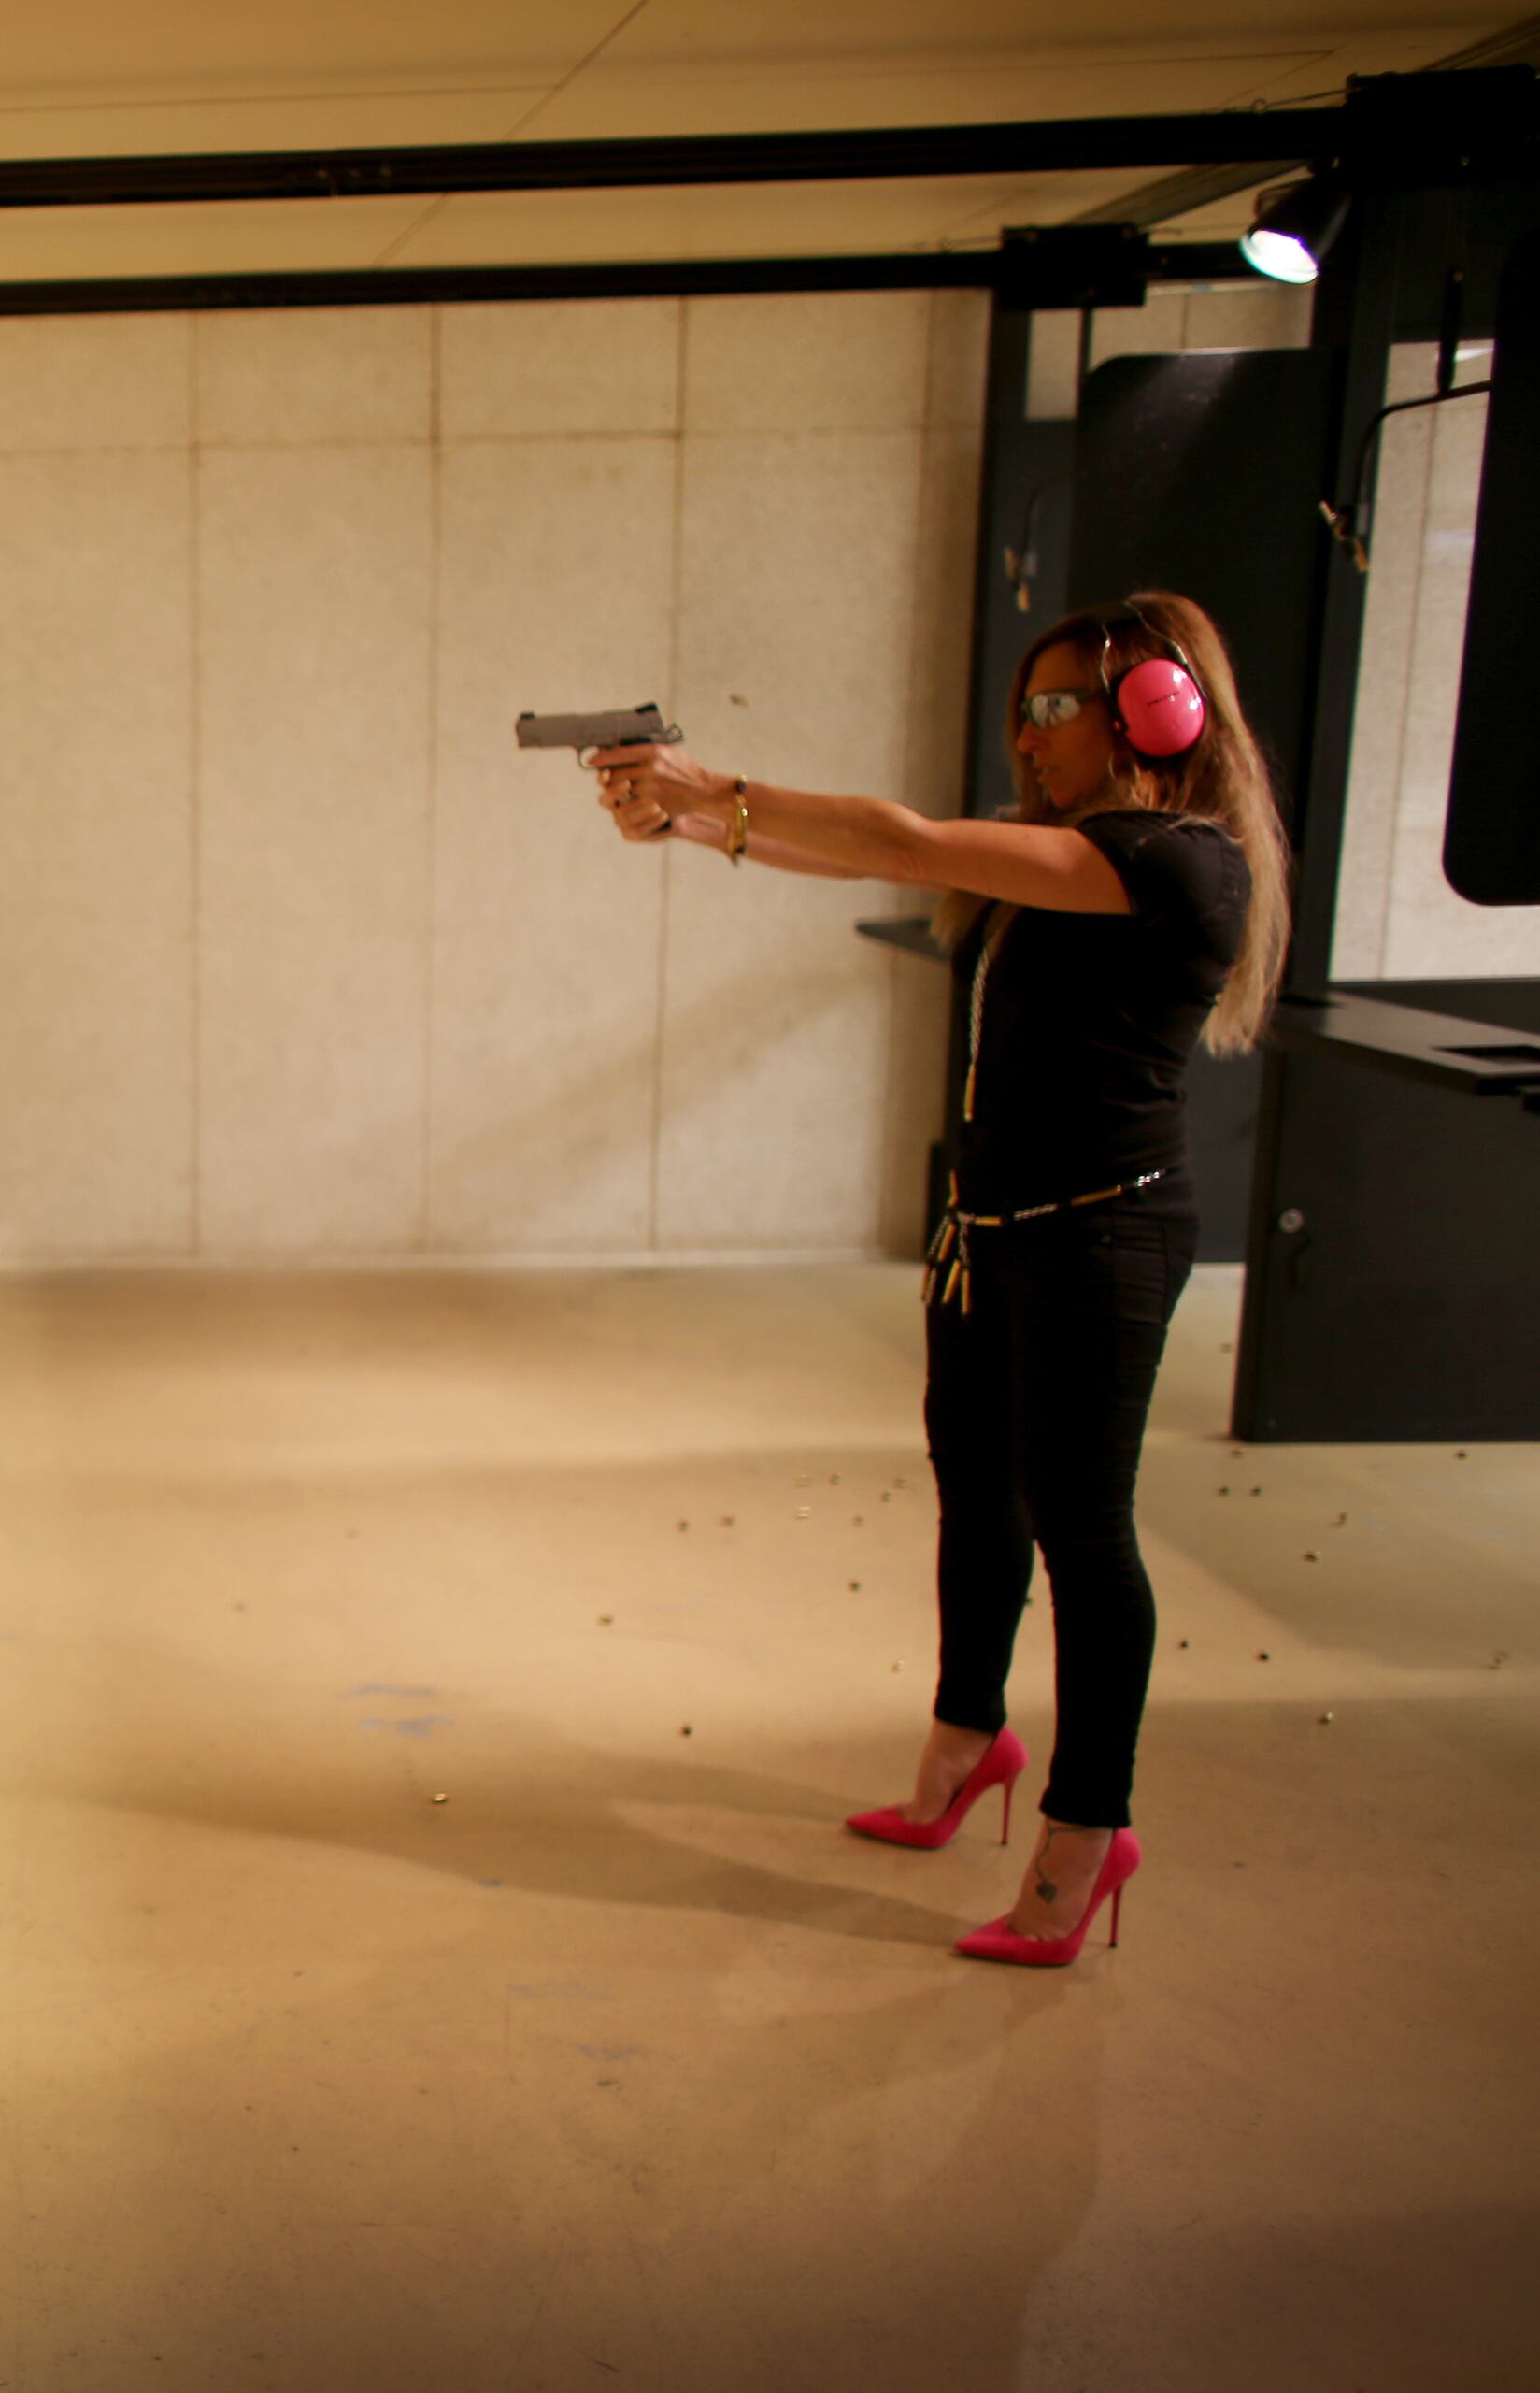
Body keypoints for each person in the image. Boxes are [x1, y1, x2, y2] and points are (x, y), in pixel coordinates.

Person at [584, 591, 1289, 1966]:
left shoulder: (1181, 862)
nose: (1027, 739)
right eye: (1020, 713)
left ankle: (1089, 1831)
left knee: (1085, 1530)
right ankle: (970, 1740)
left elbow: (896, 838)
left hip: (1103, 1233)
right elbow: (868, 865)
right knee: (979, 1488)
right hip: (996, 1228)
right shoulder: (1061, 857)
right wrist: (682, 820)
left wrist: (714, 787)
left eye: (1053, 708)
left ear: (1159, 707)